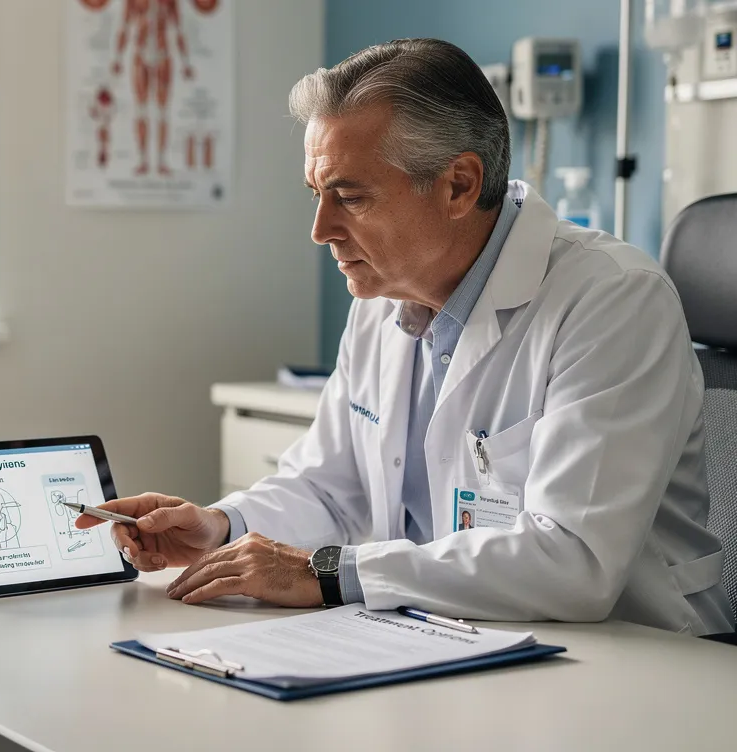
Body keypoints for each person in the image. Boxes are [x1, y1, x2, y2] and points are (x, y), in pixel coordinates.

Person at [79, 38, 734, 636]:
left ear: (458, 184)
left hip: (629, 657)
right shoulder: (384, 295)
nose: (321, 229)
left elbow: (573, 559)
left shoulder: (611, 299)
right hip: (449, 636)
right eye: (316, 193)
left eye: (350, 197)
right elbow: (330, 486)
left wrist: (331, 573)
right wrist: (223, 528)